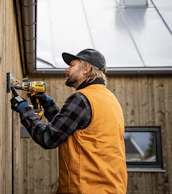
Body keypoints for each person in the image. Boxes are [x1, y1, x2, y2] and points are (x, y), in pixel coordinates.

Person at [10, 49, 127, 194]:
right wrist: (48, 104)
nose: (66, 69)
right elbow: (71, 130)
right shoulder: (109, 99)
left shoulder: (81, 98)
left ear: (87, 69)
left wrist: (24, 110)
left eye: (72, 65)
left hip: (84, 189)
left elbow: (48, 138)